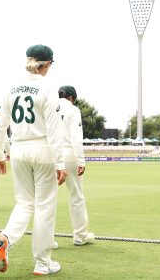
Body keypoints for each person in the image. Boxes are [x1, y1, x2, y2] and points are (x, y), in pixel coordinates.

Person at [0, 44, 68, 275]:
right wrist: (61, 163)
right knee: (44, 207)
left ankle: (7, 236)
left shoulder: (11, 87)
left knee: (24, 202)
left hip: (19, 150)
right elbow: (54, 130)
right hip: (42, 148)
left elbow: (2, 124)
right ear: (47, 64)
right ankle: (42, 263)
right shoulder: (47, 88)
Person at [55, 85, 94, 246]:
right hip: (68, 154)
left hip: (49, 154)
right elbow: (75, 137)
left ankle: (46, 239)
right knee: (76, 196)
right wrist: (81, 160)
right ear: (71, 97)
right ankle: (80, 235)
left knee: (46, 198)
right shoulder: (73, 110)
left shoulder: (49, 107)